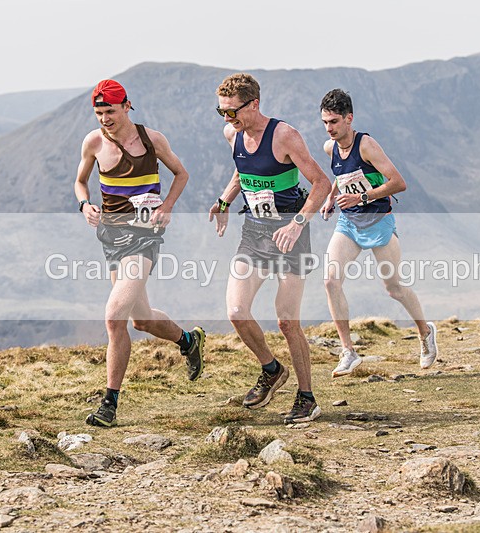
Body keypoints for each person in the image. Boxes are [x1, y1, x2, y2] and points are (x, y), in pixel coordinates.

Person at [74, 79, 205, 427]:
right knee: (140, 319)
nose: (104, 119)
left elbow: (181, 173)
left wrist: (169, 206)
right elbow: (80, 181)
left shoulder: (152, 140)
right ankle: (189, 340)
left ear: (127, 106)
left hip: (144, 237)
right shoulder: (94, 142)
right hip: (111, 236)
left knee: (114, 315)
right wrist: (85, 204)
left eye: (110, 112)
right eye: (99, 113)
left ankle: (109, 404)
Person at [208, 73, 332, 424]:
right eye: (222, 112)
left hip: (292, 235)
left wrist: (298, 224)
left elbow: (322, 183)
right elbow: (242, 172)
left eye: (233, 112)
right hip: (255, 233)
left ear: (255, 104)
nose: (228, 119)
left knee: (287, 321)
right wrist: (224, 201)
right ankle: (272, 369)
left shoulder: (284, 136)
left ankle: (307, 397)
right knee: (236, 310)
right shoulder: (232, 133)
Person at [318, 88, 437, 377]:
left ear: (349, 118)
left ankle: (425, 332)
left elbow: (398, 182)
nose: (329, 128)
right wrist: (331, 197)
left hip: (379, 223)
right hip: (349, 223)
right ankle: (348, 352)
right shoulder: (330, 148)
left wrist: (361, 197)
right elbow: (341, 175)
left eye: (334, 121)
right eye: (324, 122)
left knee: (393, 288)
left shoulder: (366, 145)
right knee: (331, 280)